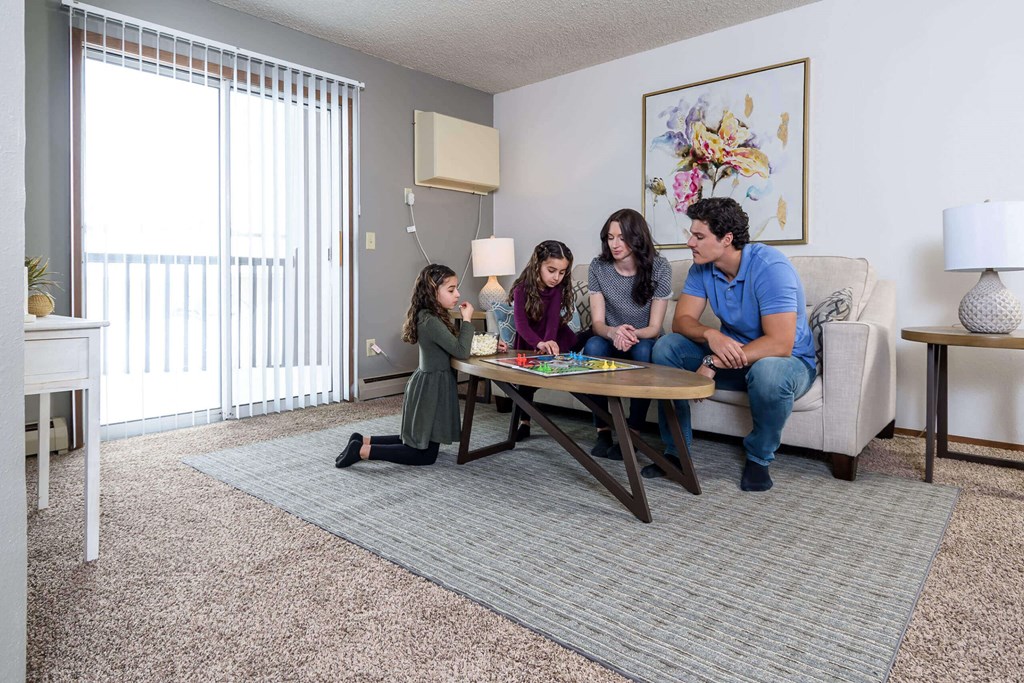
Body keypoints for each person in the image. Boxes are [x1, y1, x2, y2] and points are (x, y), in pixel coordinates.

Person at [649, 197, 816, 491]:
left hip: (787, 362)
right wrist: (711, 335)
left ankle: (759, 458)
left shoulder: (770, 267)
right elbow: (682, 321)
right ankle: (676, 452)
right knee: (666, 347)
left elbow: (780, 344)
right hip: (733, 357)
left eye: (699, 236)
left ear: (727, 239)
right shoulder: (701, 269)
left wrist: (712, 361)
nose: (690, 242)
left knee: (769, 372)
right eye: (691, 234)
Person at [336, 263, 505, 468]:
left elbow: (454, 344)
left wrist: (492, 343)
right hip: (430, 389)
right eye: (451, 290)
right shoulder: (430, 320)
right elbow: (460, 351)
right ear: (433, 292)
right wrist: (467, 320)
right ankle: (363, 451)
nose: (458, 294)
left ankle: (362, 440)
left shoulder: (433, 316)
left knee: (416, 439)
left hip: (431, 384)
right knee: (423, 454)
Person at [584, 208, 673, 459]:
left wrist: (631, 334)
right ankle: (603, 430)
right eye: (610, 237)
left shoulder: (660, 267)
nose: (615, 244)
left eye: (622, 238)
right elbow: (598, 323)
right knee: (592, 347)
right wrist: (614, 332)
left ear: (637, 237)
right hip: (610, 336)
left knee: (644, 351)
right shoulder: (598, 267)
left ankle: (632, 433)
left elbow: (655, 328)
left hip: (643, 337)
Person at [506, 240, 578, 440]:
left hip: (553, 337)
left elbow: (553, 320)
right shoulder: (521, 289)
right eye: (552, 270)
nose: (557, 277)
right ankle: (524, 423)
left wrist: (547, 343)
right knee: (526, 383)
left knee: (583, 339)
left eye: (562, 272)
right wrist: (538, 344)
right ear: (537, 264)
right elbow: (521, 325)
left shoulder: (557, 289)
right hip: (530, 339)